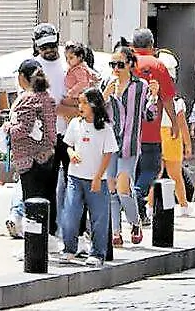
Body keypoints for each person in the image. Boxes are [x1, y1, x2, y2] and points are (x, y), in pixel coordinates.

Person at [60, 87, 116, 266]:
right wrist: (71, 154)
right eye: (80, 102)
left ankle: (98, 253)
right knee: (70, 213)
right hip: (75, 177)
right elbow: (68, 145)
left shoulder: (105, 128)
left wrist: (99, 177)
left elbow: (108, 154)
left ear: (94, 105)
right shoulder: (75, 123)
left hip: (97, 178)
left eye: (85, 102)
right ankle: (69, 248)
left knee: (99, 217)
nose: (81, 106)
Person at [103, 46, 153, 246]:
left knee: (124, 188)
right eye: (112, 64)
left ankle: (134, 221)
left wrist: (154, 99)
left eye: (120, 64)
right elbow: (96, 111)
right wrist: (105, 95)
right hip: (109, 143)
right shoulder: (107, 83)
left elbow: (149, 115)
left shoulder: (140, 86)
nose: (116, 68)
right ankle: (116, 231)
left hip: (129, 144)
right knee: (111, 188)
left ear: (130, 65)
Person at [128, 29, 178, 221]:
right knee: (151, 169)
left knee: (133, 170)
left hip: (127, 131)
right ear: (152, 45)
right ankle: (137, 197)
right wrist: (174, 123)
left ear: (133, 46)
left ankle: (138, 215)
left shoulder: (125, 63)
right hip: (150, 131)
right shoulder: (158, 65)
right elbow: (167, 99)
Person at [31, 23, 73, 236]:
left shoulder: (69, 63)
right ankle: (48, 231)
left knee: (75, 184)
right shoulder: (33, 66)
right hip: (44, 137)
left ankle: (77, 231)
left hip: (70, 134)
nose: (49, 50)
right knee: (47, 185)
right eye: (44, 46)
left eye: (52, 45)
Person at [3, 59, 57, 222]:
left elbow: (23, 130)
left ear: (22, 77)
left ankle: (33, 245)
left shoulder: (27, 99)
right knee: (46, 201)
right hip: (47, 157)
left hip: (30, 161)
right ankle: (48, 239)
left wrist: (7, 128)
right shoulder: (48, 98)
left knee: (32, 205)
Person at [150, 87, 192, 216]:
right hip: (171, 135)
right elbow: (182, 123)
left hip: (156, 134)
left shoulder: (153, 101)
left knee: (155, 173)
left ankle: (149, 205)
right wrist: (188, 143)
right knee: (175, 175)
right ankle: (183, 205)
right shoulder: (177, 102)